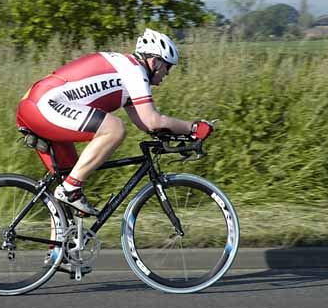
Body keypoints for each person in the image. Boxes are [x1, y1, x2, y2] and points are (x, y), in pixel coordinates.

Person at [16, 28, 213, 216]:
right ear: (155, 62)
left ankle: (59, 250)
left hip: (40, 104)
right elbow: (153, 120)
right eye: (168, 67)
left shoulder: (126, 70)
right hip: (45, 104)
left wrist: (180, 135)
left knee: (65, 199)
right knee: (114, 128)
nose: (167, 74)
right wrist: (193, 127)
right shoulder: (135, 70)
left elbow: (145, 123)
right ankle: (70, 190)